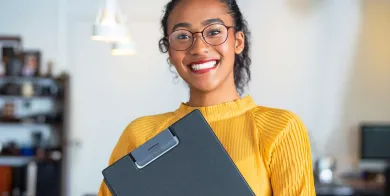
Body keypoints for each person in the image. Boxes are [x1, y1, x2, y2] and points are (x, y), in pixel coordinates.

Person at [98, 0, 316, 195]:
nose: (199, 48)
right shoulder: (139, 134)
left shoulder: (280, 128)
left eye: (213, 32)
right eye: (182, 36)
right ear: (169, 52)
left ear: (238, 42)